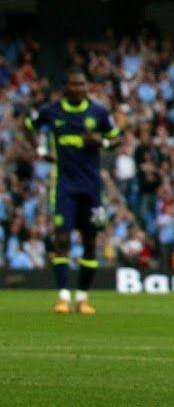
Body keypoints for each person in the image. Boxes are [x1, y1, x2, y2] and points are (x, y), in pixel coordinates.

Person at [24, 70, 120, 314]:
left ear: (87, 87)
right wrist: (40, 148)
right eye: (74, 84)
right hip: (64, 185)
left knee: (90, 242)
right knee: (62, 239)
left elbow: (117, 138)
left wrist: (102, 142)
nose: (79, 88)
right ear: (66, 87)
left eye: (83, 85)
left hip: (91, 188)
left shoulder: (98, 113)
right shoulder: (52, 111)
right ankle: (64, 297)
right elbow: (28, 125)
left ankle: (83, 298)